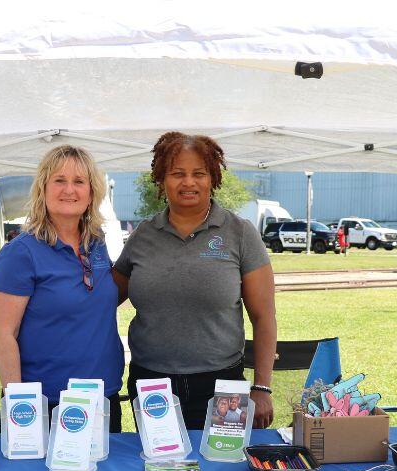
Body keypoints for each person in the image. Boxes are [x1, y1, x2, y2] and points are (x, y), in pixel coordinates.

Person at [113, 132, 277, 430]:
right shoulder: (142, 236)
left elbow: (264, 317)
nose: (188, 182)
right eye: (177, 174)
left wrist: (262, 387)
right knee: (160, 468)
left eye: (198, 174)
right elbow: (103, 297)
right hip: (152, 386)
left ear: (212, 178)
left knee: (224, 467)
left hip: (223, 386)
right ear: (162, 179)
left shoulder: (240, 233)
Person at [0, 145, 124, 430]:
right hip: (46, 405)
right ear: (43, 188)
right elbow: (4, 335)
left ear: (91, 193)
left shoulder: (98, 244)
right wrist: (19, 406)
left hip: (104, 398)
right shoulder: (21, 253)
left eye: (79, 182)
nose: (69, 190)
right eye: (59, 180)